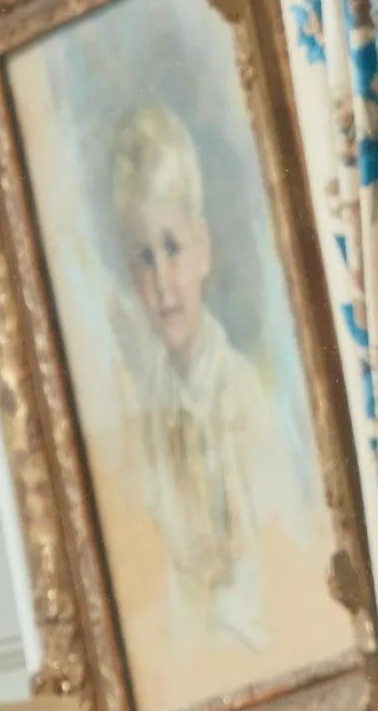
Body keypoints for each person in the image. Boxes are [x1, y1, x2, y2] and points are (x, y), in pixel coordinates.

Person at [108, 104, 292, 653]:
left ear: (202, 250)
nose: (163, 280)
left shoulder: (240, 394)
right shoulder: (144, 412)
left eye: (172, 248)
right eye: (144, 257)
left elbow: (274, 557)